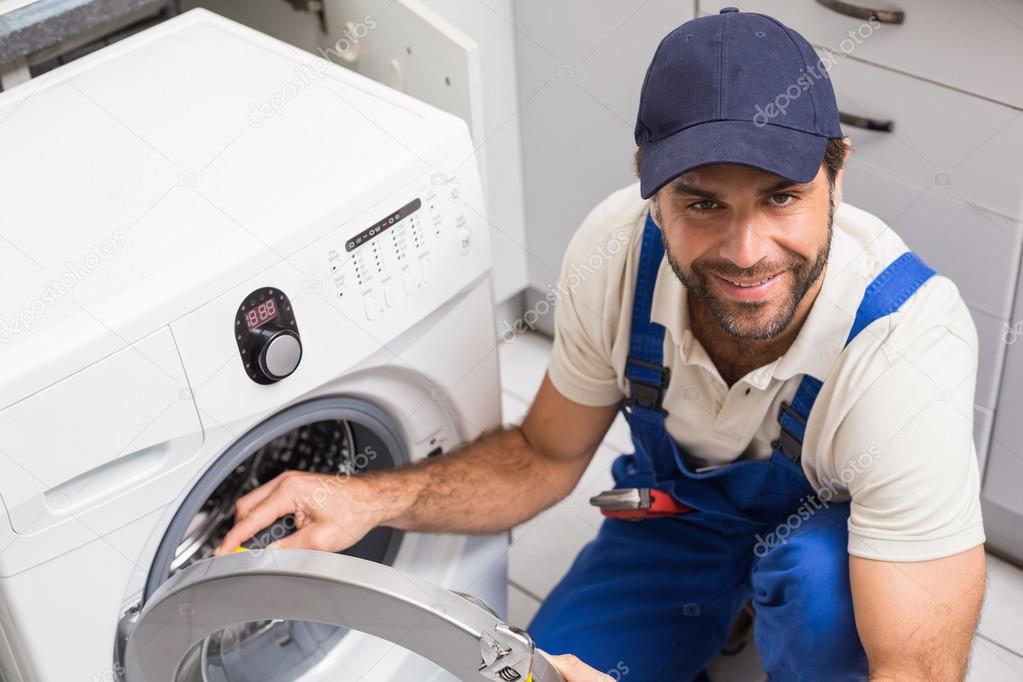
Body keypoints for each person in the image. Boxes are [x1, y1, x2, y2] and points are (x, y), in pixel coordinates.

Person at [215, 7, 987, 680]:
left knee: (813, 584)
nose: (746, 251)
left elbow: (917, 669)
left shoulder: (907, 345)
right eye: (701, 203)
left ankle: (772, 606)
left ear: (836, 173)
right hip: (677, 523)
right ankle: (723, 602)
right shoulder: (613, 251)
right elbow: (543, 456)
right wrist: (367, 498)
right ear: (649, 190)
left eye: (781, 197)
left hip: (838, 555)